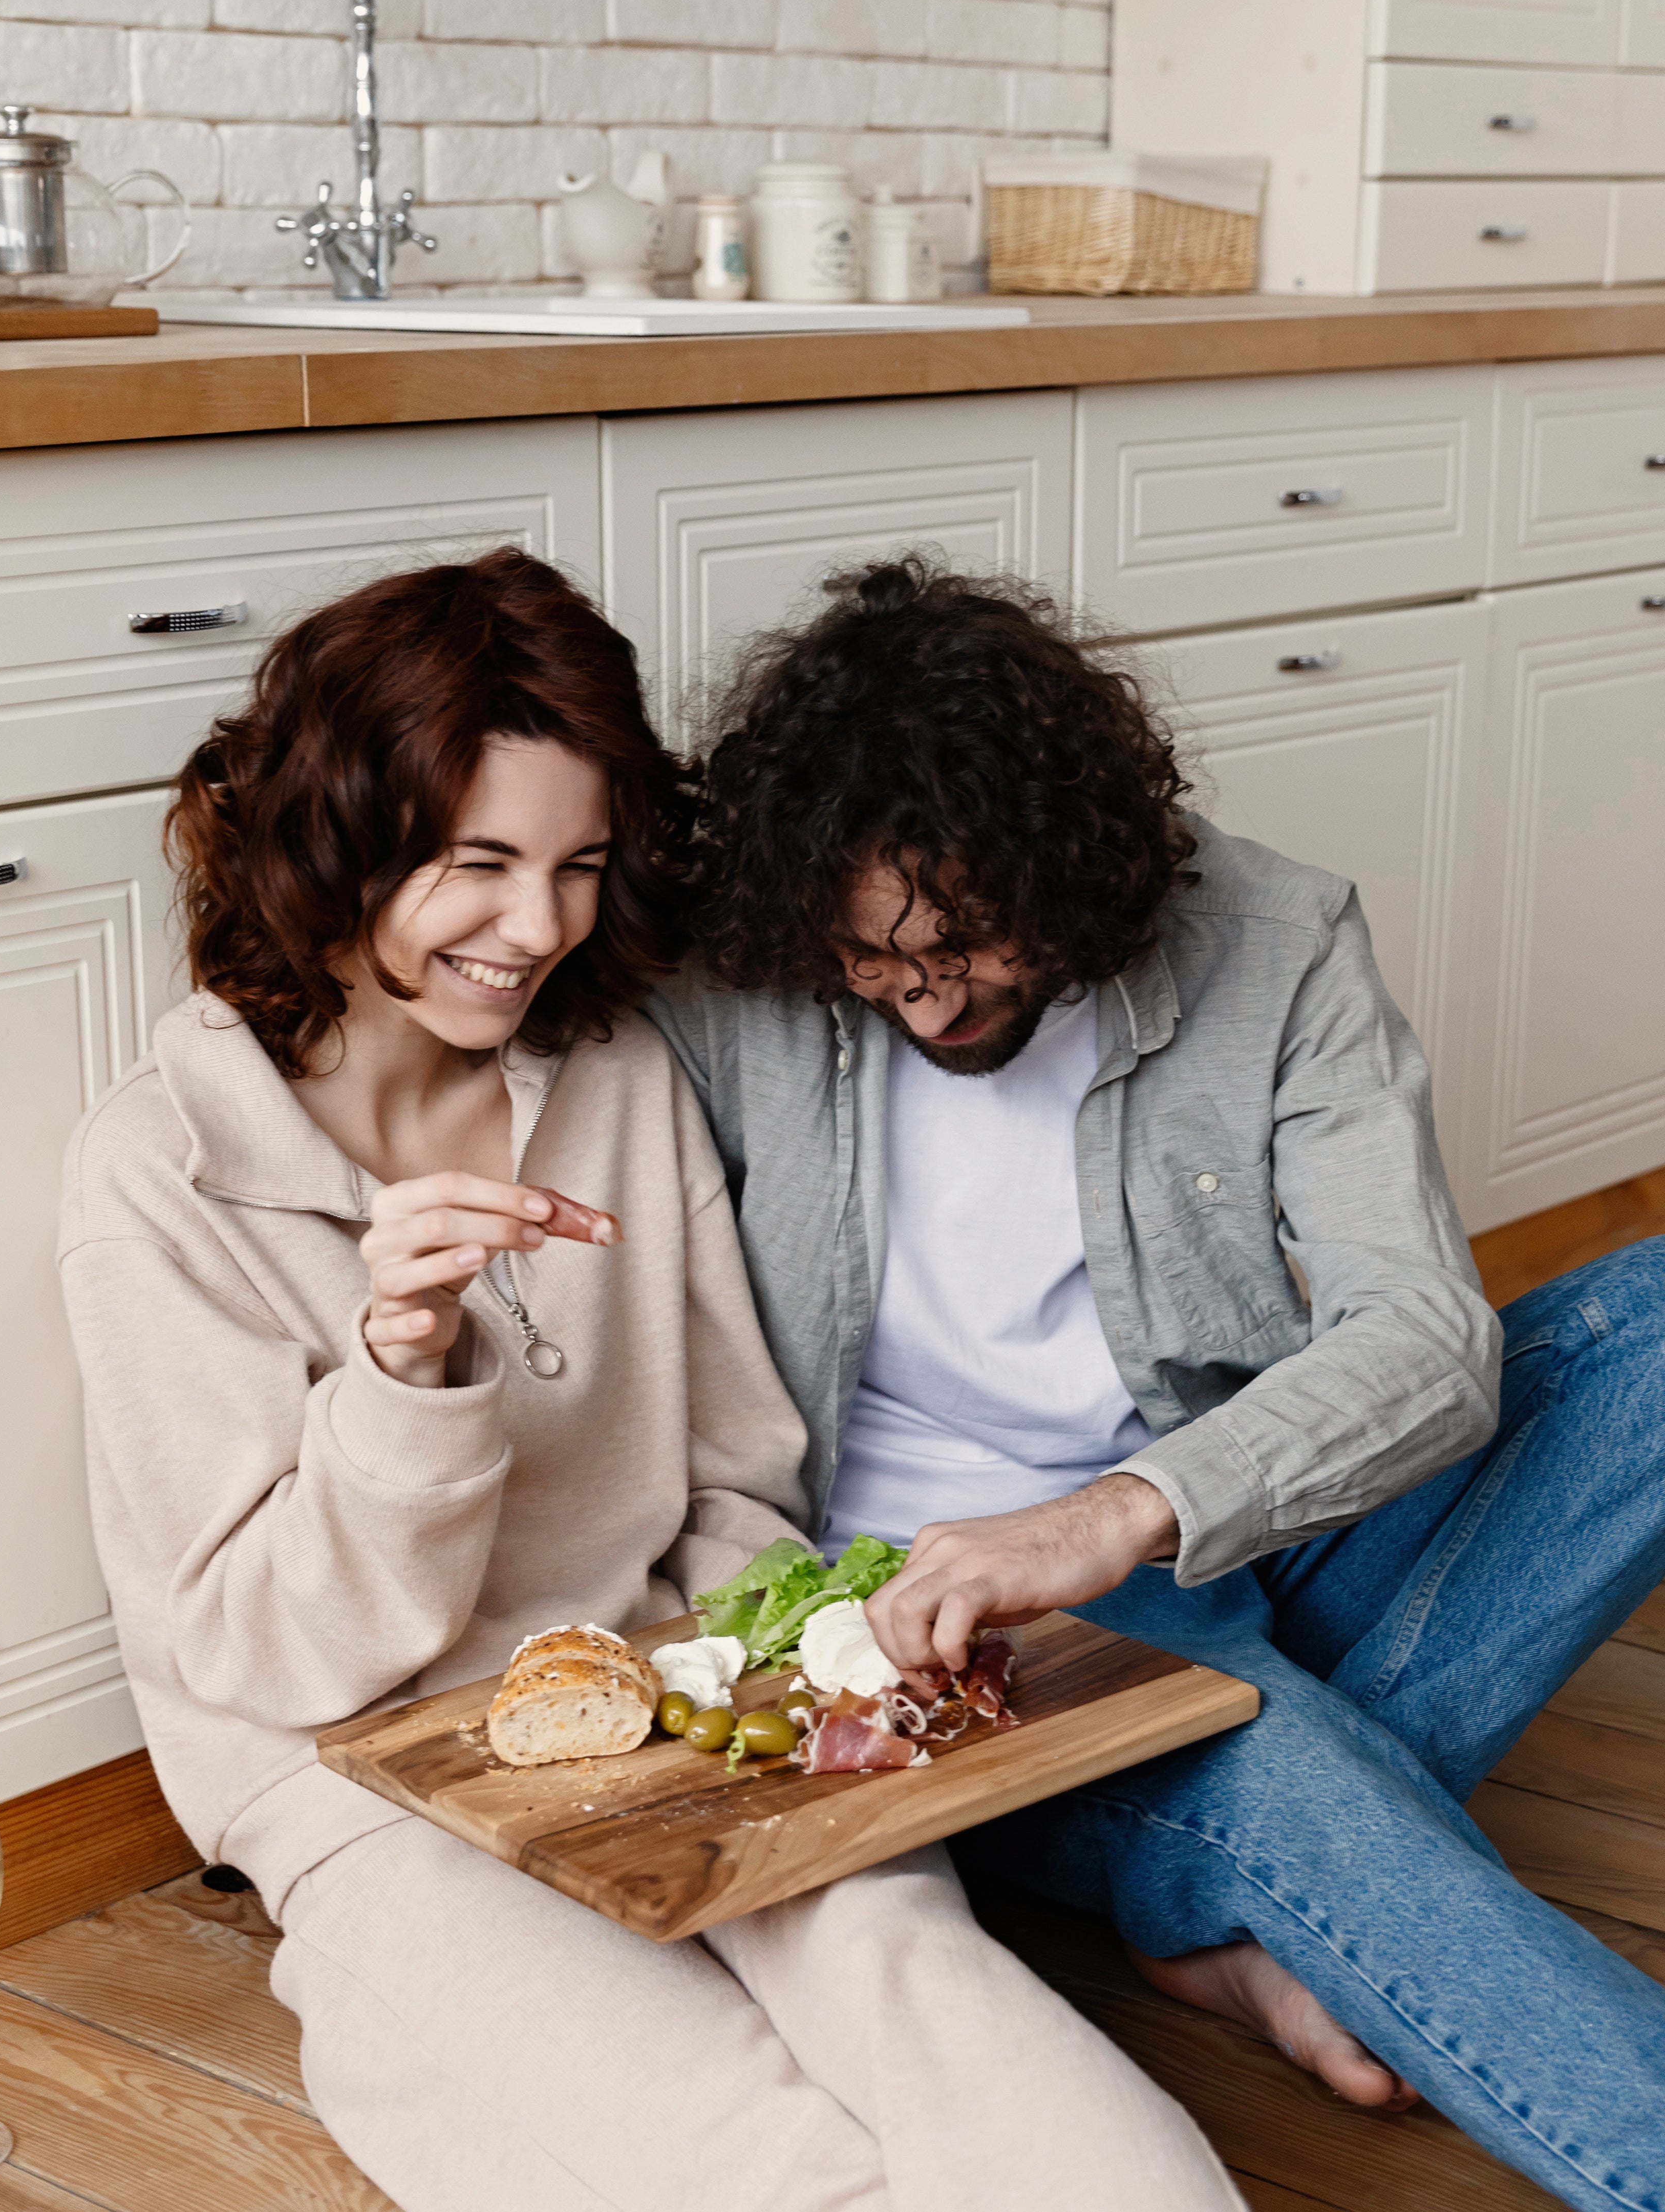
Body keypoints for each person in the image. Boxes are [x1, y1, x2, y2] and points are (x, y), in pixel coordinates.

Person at [56, 548, 1244, 2212]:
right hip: (368, 1784)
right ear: (337, 837)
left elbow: (735, 1464)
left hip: (692, 1697)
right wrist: (407, 1371)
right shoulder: (164, 1172)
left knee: (958, 2021)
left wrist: (779, 1685)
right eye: (478, 861)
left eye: (580, 866)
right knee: (756, 2165)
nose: (537, 925)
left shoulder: (609, 1067)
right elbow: (264, 1659)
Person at [652, 555, 1665, 2212]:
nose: (923, 998)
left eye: (968, 948)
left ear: (1075, 866)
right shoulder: (735, 986)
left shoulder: (1273, 943)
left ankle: (1205, 1878)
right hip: (960, 1631)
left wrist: (1118, 1514)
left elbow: (1422, 1339)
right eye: (874, 961)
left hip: (1213, 1524)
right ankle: (1238, 1851)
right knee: (1273, 1755)